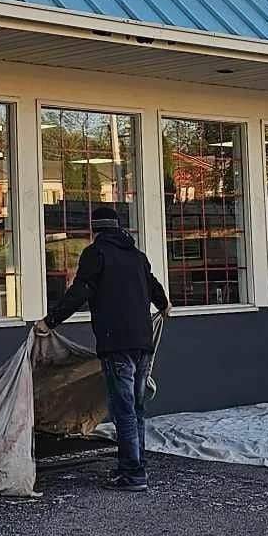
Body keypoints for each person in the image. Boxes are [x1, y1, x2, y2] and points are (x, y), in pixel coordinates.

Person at [37, 204, 169, 491]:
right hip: (143, 343)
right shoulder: (137, 257)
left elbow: (79, 292)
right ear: (119, 228)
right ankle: (137, 465)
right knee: (136, 409)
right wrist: (163, 305)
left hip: (117, 343)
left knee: (124, 410)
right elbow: (154, 288)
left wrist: (50, 321)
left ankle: (132, 474)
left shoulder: (95, 254)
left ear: (95, 229)